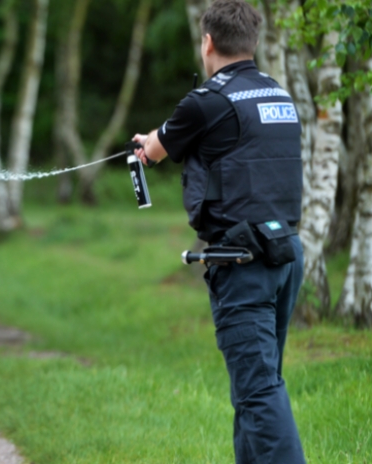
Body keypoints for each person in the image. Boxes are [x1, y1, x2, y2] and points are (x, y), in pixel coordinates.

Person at [131, 1, 306, 462]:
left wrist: (147, 148)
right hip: (286, 253)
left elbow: (156, 148)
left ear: (207, 42)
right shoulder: (279, 95)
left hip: (243, 262)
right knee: (256, 388)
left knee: (258, 392)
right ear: (254, 42)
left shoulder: (206, 100)